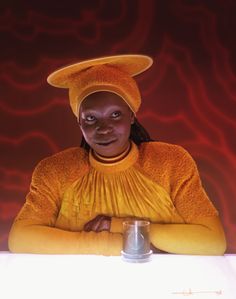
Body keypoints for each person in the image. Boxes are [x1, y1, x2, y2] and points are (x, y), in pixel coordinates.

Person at [8, 54, 226, 255]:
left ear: (131, 115)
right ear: (79, 122)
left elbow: (213, 241)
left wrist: (121, 225)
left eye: (115, 114)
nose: (104, 128)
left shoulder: (170, 162)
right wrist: (116, 244)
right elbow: (20, 238)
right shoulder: (56, 170)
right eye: (91, 118)